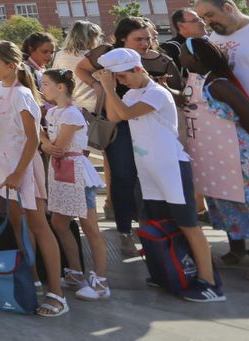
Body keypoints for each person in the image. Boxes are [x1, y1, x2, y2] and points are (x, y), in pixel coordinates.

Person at [96, 46, 224, 302]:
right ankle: (167, 268)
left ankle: (210, 282)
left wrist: (110, 89)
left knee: (188, 223)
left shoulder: (157, 93)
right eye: (116, 78)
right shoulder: (132, 93)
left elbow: (127, 114)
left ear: (137, 69)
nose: (120, 82)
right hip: (149, 169)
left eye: (122, 76)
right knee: (156, 221)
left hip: (171, 167)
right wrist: (108, 89)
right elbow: (114, 115)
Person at [75, 15, 180, 254]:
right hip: (118, 124)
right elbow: (81, 68)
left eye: (148, 38)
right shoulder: (108, 54)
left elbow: (176, 89)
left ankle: (152, 229)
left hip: (149, 125)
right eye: (138, 39)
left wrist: (163, 88)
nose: (145, 43)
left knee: (149, 177)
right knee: (123, 176)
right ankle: (125, 231)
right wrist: (98, 85)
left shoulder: (159, 60)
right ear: (123, 38)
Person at [0, 39, 66, 316]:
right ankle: (29, 279)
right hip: (7, 166)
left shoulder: (22, 95)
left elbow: (32, 139)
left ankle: (56, 292)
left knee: (39, 225)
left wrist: (19, 173)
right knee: (20, 225)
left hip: (23, 168)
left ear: (12, 65)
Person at [178, 37, 249, 281]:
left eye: (183, 52)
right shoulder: (197, 81)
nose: (179, 56)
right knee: (225, 202)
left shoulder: (219, 85)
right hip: (213, 156)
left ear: (195, 58)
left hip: (235, 153)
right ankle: (236, 250)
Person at [38, 67, 111, 300]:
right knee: (60, 222)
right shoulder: (52, 113)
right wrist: (44, 142)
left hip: (76, 173)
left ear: (61, 88)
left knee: (90, 227)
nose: (43, 88)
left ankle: (101, 282)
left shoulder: (71, 114)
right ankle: (75, 272)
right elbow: (48, 141)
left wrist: (45, 144)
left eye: (46, 84)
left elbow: (57, 146)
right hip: (60, 173)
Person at [199, 0, 249, 100]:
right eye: (203, 18)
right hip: (234, 113)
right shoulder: (214, 37)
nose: (207, 22)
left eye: (209, 15)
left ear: (228, 8)